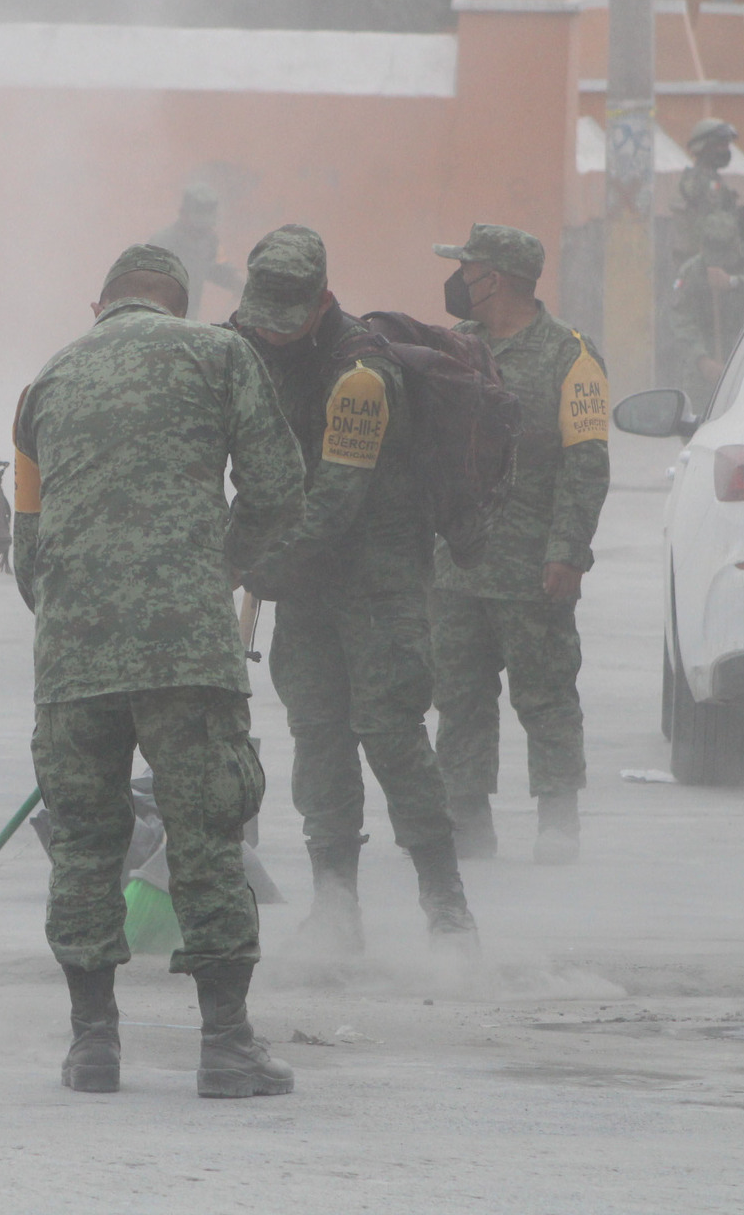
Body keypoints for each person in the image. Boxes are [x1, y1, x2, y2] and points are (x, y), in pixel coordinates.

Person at [12, 244, 301, 1098]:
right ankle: (225, 1047)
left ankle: (93, 1045)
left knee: (85, 844)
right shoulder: (218, 353)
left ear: (98, 303)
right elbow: (280, 487)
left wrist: (77, 621)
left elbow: (28, 550)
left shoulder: (46, 382)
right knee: (206, 836)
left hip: (73, 653)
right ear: (177, 302)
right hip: (185, 650)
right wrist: (221, 566)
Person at [229, 226, 478, 959]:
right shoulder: (251, 342)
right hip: (305, 585)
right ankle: (337, 912)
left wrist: (253, 567)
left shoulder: (363, 376)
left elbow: (335, 505)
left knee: (393, 736)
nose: (270, 332)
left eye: (286, 318)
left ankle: (448, 913)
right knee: (318, 737)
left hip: (379, 584)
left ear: (322, 304)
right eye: (260, 316)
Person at [429, 224, 609, 865]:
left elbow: (585, 464)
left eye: (466, 266)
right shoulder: (451, 348)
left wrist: (567, 551)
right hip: (455, 568)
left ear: (494, 279)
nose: (456, 279)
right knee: (459, 700)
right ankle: (467, 821)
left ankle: (558, 821)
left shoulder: (571, 356)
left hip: (533, 567)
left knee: (547, 694)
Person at [671, 209, 744, 412]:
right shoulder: (690, 272)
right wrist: (702, 360)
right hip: (704, 365)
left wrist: (734, 283)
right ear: (703, 247)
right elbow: (680, 319)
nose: (719, 263)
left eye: (725, 254)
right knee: (697, 423)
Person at [149, 184, 244, 318]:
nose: (204, 228)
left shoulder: (209, 241)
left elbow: (216, 267)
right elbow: (147, 285)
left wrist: (237, 280)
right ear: (183, 214)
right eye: (199, 219)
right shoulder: (162, 243)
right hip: (159, 318)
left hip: (189, 318)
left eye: (208, 220)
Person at [674, 118, 744, 261]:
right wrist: (735, 220)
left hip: (713, 259)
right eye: (720, 145)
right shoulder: (696, 181)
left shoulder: (712, 179)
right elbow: (709, 226)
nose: (725, 151)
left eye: (727, 145)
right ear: (703, 146)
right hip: (702, 262)